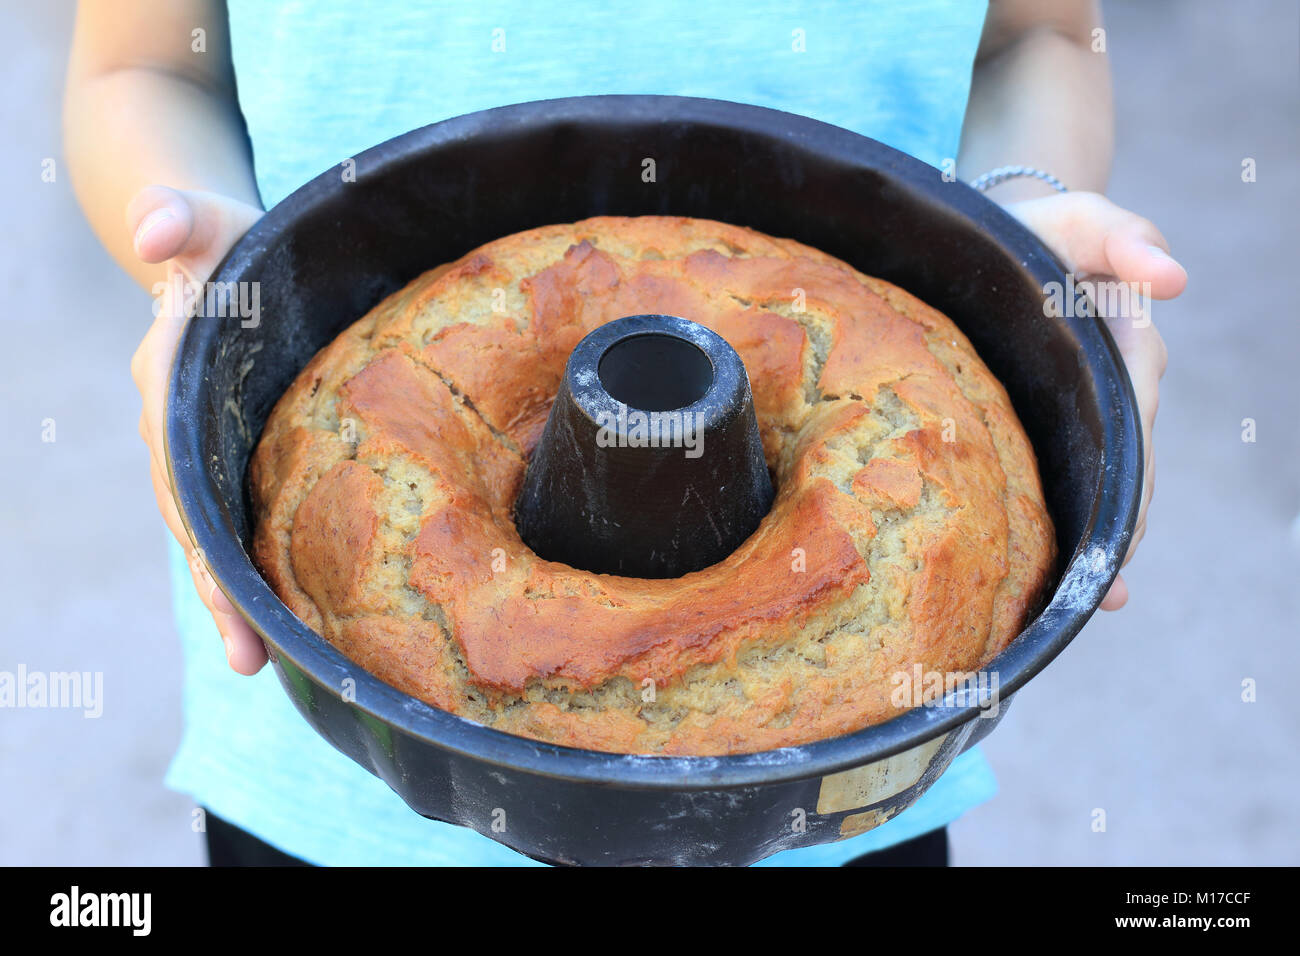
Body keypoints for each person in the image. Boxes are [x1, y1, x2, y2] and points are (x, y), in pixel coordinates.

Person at [65, 0, 1185, 866]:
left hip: (859, 787)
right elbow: (145, 63)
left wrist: (1018, 237)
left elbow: (1031, 39)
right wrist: (212, 279)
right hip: (337, 781)